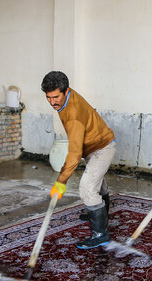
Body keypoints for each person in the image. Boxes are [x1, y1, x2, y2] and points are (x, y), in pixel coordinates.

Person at [41, 71, 116, 249]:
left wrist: (61, 181)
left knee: (87, 188)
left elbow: (74, 154)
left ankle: (100, 235)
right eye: (48, 97)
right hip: (92, 145)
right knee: (97, 182)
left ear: (66, 92)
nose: (52, 102)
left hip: (102, 148)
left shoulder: (73, 114)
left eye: (56, 97)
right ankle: (100, 214)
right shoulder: (65, 96)